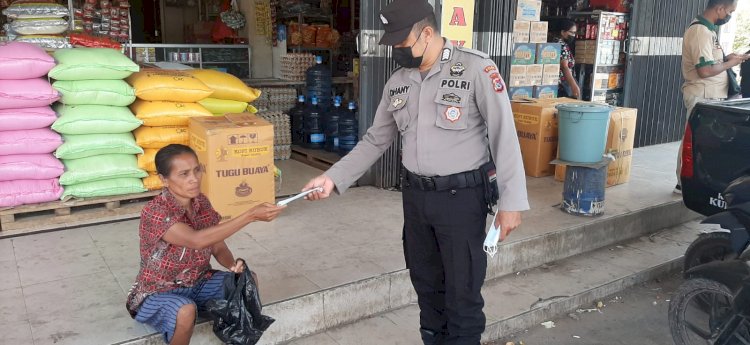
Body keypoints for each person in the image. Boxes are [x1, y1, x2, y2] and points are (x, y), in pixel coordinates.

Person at [301, 1, 529, 344]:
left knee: (462, 296)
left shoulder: (476, 70)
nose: (396, 50)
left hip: (461, 201)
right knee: (427, 292)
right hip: (416, 201)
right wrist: (333, 176)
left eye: (400, 42)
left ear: (427, 33)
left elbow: (504, 136)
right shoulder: (398, 82)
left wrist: (512, 202)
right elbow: (375, 140)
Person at [125, 144, 285, 345]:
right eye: (184, 174)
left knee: (247, 281)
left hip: (199, 283)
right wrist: (250, 215)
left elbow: (217, 246)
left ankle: (239, 340)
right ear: (163, 179)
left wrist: (232, 267)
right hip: (158, 292)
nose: (194, 179)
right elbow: (196, 239)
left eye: (196, 170)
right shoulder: (155, 211)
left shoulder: (202, 203)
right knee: (185, 310)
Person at [676, 0, 750, 193]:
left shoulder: (708, 31)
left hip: (710, 96)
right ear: (720, 9)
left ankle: (690, 181)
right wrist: (729, 63)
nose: (729, 16)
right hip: (702, 95)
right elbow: (705, 71)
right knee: (693, 142)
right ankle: (683, 183)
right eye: (730, 11)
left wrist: (727, 59)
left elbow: (710, 61)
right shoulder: (700, 31)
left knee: (703, 142)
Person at [557, 19, 580, 99]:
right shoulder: (562, 46)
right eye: (571, 32)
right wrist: (573, 86)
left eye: (574, 33)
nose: (573, 35)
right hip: (563, 85)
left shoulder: (557, 43)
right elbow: (564, 67)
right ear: (563, 32)